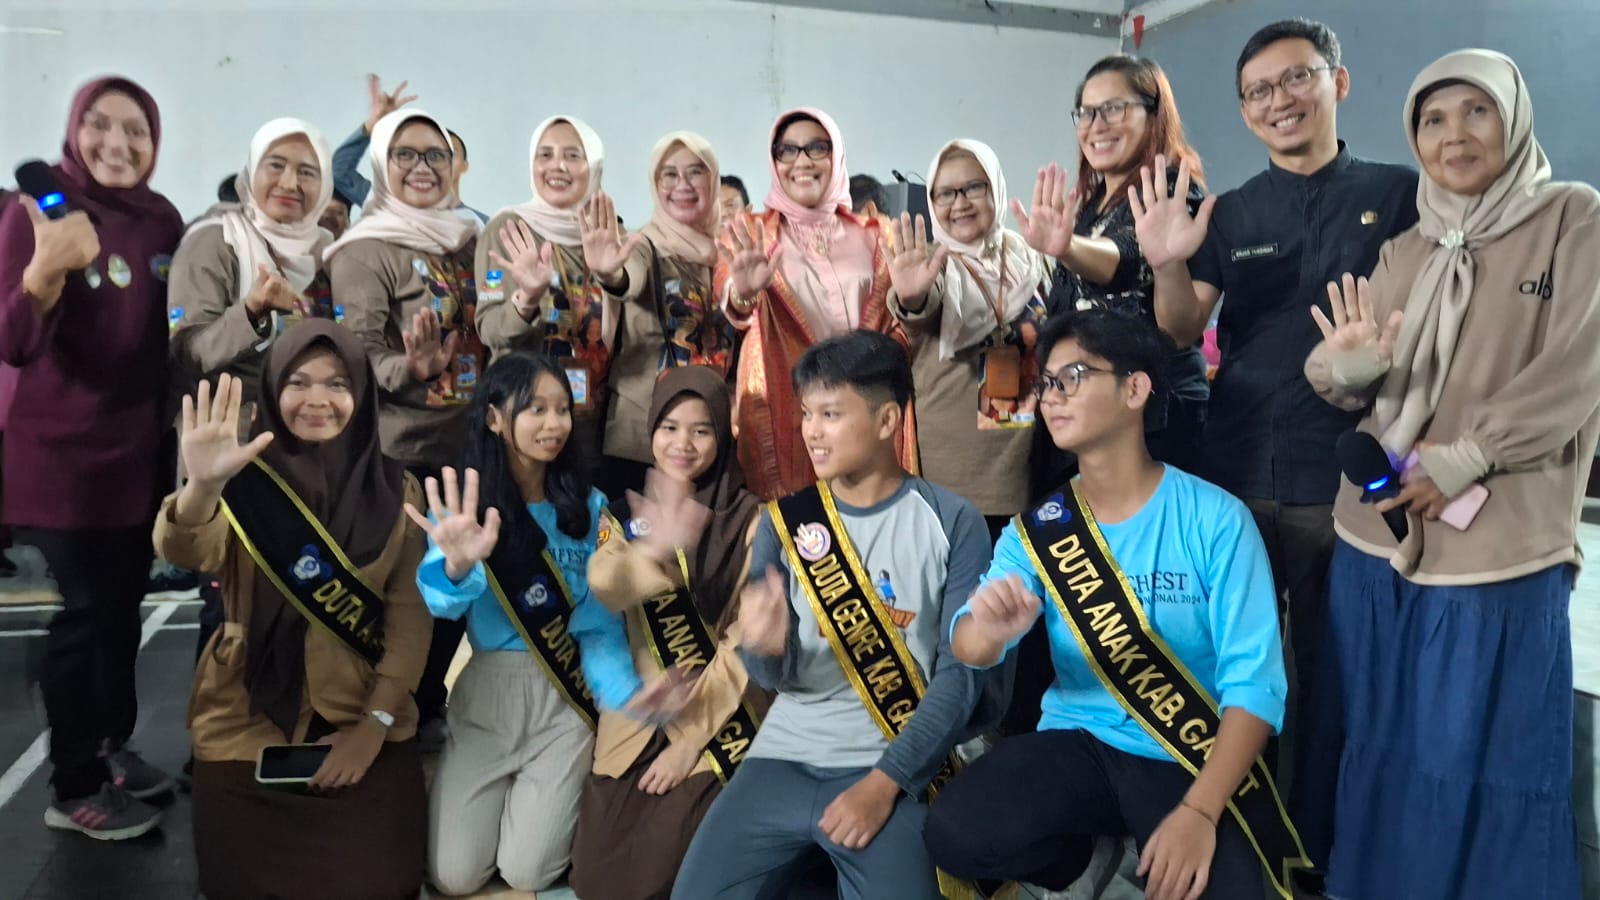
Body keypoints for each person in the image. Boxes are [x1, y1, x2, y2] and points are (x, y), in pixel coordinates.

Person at [1301, 49, 1595, 900]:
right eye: (1433, 118)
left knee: (1482, 749)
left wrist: (1467, 455)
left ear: (1514, 118)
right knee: (1380, 739)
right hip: (1376, 534)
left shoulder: (1573, 218)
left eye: (1477, 111)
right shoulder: (1406, 247)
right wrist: (1350, 367)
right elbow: (1342, 371)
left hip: (1497, 549)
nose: (1453, 134)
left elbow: (1580, 368)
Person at [1129, 19, 1419, 845]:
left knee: (1339, 667)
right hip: (1240, 467)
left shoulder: (1400, 193)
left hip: (1350, 476)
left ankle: (1324, 842)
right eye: (1258, 91)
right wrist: (1166, 262)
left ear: (1338, 82)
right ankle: (1236, 829)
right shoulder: (1231, 211)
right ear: (1244, 111)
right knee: (1237, 661)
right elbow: (1181, 328)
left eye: (1297, 78)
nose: (1278, 101)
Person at [925, 310, 1299, 900]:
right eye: (1047, 382)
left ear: (1135, 389)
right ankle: (1088, 864)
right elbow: (968, 643)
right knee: (955, 832)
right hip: (1079, 741)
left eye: (1073, 377)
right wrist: (989, 632)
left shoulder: (1217, 520)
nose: (1051, 397)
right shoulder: (1040, 530)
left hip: (1188, 751)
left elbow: (1256, 688)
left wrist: (1199, 812)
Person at [672, 330, 999, 900]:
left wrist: (886, 782)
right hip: (783, 757)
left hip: (893, 760)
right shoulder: (785, 522)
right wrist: (765, 648)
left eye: (830, 414)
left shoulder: (953, 521)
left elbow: (959, 677)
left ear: (887, 421)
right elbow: (772, 676)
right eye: (806, 414)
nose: (812, 432)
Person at [158, 323, 431, 899]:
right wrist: (201, 486)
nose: (317, 399)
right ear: (273, 390)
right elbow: (186, 551)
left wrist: (373, 728)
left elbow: (409, 620)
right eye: (298, 382)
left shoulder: (398, 489)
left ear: (362, 393)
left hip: (361, 711)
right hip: (243, 718)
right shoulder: (241, 473)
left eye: (338, 384)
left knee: (383, 885)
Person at [409, 353, 695, 896]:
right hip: (487, 699)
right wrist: (456, 566)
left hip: (563, 706)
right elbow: (440, 604)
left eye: (563, 408)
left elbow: (598, 624)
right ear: (495, 417)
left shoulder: (588, 506)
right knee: (454, 874)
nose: (554, 423)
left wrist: (628, 695)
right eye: (536, 409)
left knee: (529, 871)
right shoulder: (468, 506)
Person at [0, 76, 184, 837]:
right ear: (75, 130)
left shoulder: (161, 219)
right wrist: (46, 270)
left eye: (136, 130)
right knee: (80, 618)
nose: (118, 143)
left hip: (135, 456)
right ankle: (72, 785)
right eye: (101, 125)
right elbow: (12, 341)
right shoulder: (35, 214)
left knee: (119, 614)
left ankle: (111, 748)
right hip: (59, 460)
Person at [570, 365, 766, 900]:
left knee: (665, 874)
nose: (683, 444)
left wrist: (689, 740)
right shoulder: (625, 514)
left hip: (719, 712)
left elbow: (745, 642)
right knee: (595, 879)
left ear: (722, 436)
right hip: (642, 712)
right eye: (670, 427)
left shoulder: (751, 520)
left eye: (701, 430)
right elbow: (605, 588)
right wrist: (654, 552)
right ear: (651, 430)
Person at [324, 107, 482, 751]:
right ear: (381, 164)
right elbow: (355, 351)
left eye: (435, 154)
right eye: (406, 155)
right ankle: (387, 713)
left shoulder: (467, 238)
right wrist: (410, 368)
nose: (422, 167)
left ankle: (427, 701)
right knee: (405, 593)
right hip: (400, 450)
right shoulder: (364, 249)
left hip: (468, 441)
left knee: (455, 584)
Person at [1016, 55, 1210, 479]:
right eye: (1086, 112)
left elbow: (1128, 257)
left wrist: (1069, 248)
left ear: (1154, 115)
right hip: (1084, 406)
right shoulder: (1092, 204)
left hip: (1148, 416)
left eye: (1114, 109)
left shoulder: (1170, 189)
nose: (1096, 125)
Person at [719, 108, 917, 500]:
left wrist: (916, 300)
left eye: (816, 148)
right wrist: (744, 292)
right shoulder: (751, 234)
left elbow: (905, 320)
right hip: (788, 405)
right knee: (799, 523)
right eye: (787, 151)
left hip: (868, 407)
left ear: (837, 154)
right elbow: (732, 301)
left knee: (872, 513)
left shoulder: (880, 236)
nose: (802, 161)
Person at [885, 139, 1050, 532]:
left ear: (996, 188)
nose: (959, 203)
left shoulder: (1031, 258)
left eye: (974, 187)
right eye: (945, 193)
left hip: (1032, 466)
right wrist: (911, 297)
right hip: (955, 478)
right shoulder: (932, 264)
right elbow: (917, 306)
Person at [473, 115, 639, 493]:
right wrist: (526, 298)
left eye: (573, 155)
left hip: (592, 425)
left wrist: (613, 277)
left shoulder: (609, 233)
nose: (557, 166)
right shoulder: (507, 229)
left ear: (594, 167)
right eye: (545, 155)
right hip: (523, 428)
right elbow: (489, 329)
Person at [592, 132, 738, 499]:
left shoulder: (728, 255)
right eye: (669, 174)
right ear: (655, 184)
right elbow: (628, 279)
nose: (682, 185)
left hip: (709, 444)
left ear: (713, 180)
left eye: (695, 172)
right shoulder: (642, 246)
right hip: (640, 442)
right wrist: (611, 274)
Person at [170, 118, 336, 411]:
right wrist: (251, 312)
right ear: (251, 171)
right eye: (275, 165)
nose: (289, 183)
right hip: (230, 426)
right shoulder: (217, 240)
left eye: (307, 172)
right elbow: (188, 354)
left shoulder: (325, 251)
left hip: (309, 422)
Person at [332, 74, 486, 226]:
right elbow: (339, 172)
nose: (440, 161)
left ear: (465, 166)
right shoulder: (391, 207)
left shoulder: (484, 224)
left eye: (449, 153)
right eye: (433, 155)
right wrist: (371, 126)